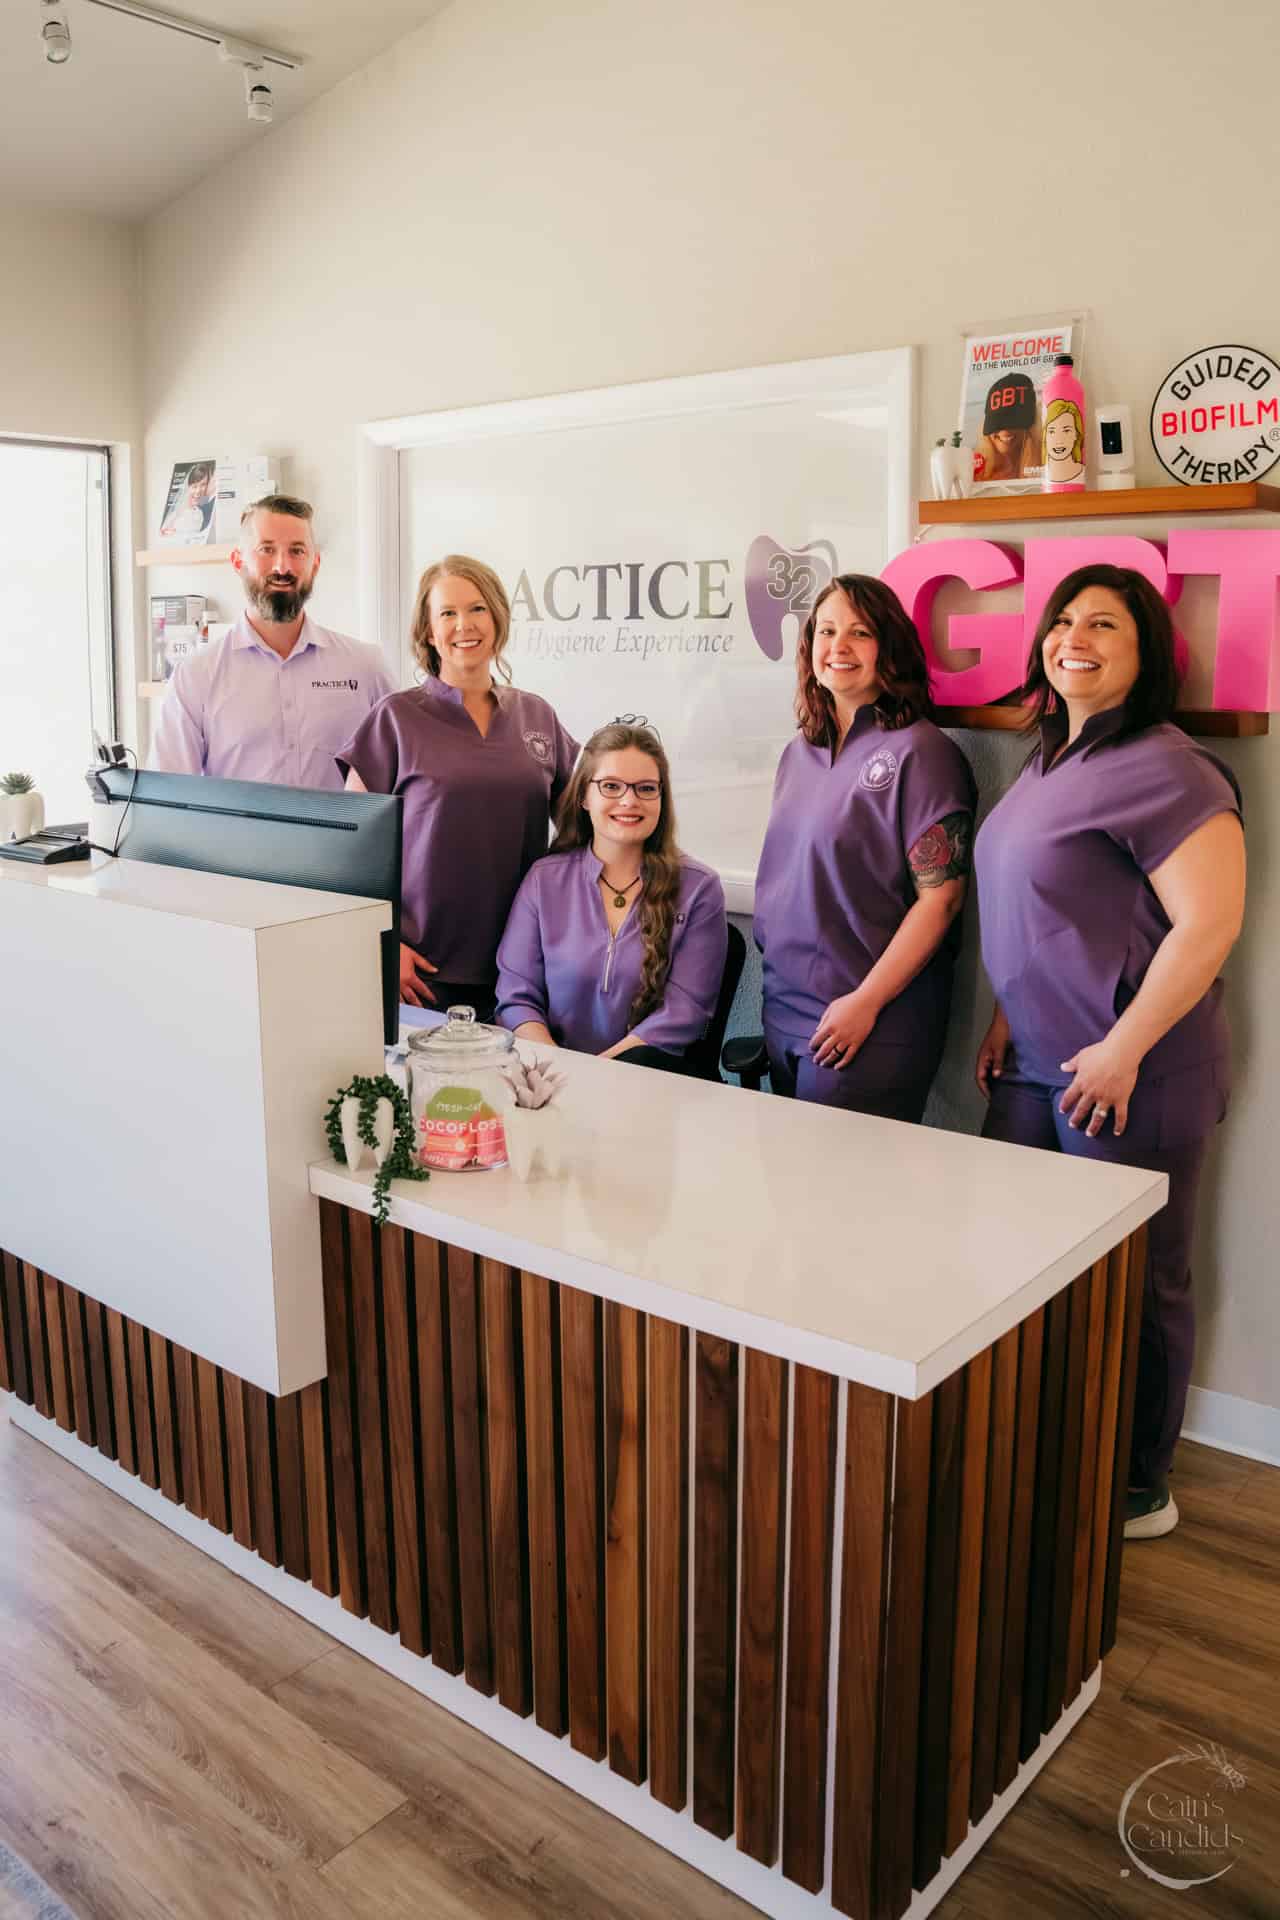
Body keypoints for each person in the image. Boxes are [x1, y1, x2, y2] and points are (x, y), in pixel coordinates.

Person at [974, 564, 1246, 1542]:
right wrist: (1004, 1014)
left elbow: (1208, 925)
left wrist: (1122, 1050)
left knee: (1140, 1283)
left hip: (1129, 1073)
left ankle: (1139, 1482)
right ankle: (1056, 1442)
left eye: (1103, 625)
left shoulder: (1171, 768)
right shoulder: (1048, 758)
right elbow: (1043, 907)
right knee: (1023, 1264)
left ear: (1146, 655)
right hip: (1033, 1064)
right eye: (1062, 620)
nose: (1073, 638)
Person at [754, 573, 976, 1121]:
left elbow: (942, 900)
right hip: (783, 1007)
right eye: (827, 631)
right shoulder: (798, 753)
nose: (839, 646)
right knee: (791, 1173)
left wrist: (867, 1001)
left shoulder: (922, 753)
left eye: (860, 632)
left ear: (890, 647)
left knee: (846, 1176)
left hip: (869, 1017)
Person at [340, 554, 577, 1016]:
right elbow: (349, 849)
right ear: (429, 631)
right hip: (421, 973)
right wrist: (382, 940)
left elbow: (580, 830)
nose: (464, 625)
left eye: (477, 608)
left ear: (497, 617)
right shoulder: (395, 718)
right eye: (447, 613)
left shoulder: (537, 715)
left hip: (524, 969)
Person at [495, 719, 727, 1069]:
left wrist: (595, 1073)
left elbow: (684, 1012)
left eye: (646, 788)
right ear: (584, 797)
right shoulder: (544, 880)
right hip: (547, 1075)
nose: (629, 800)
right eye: (611, 786)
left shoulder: (699, 889)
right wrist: (558, 1068)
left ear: (661, 798)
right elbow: (516, 996)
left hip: (649, 1080)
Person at [149, 494, 395, 788]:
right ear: (238, 561)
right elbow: (169, 795)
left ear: (315, 564)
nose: (282, 567)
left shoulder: (366, 667)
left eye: (297, 551)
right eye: (266, 549)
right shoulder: (195, 676)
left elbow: (402, 776)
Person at [972, 372, 1043, 483]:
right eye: (998, 420)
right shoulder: (975, 471)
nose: (1005, 430)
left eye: (1013, 420)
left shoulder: (1047, 466)